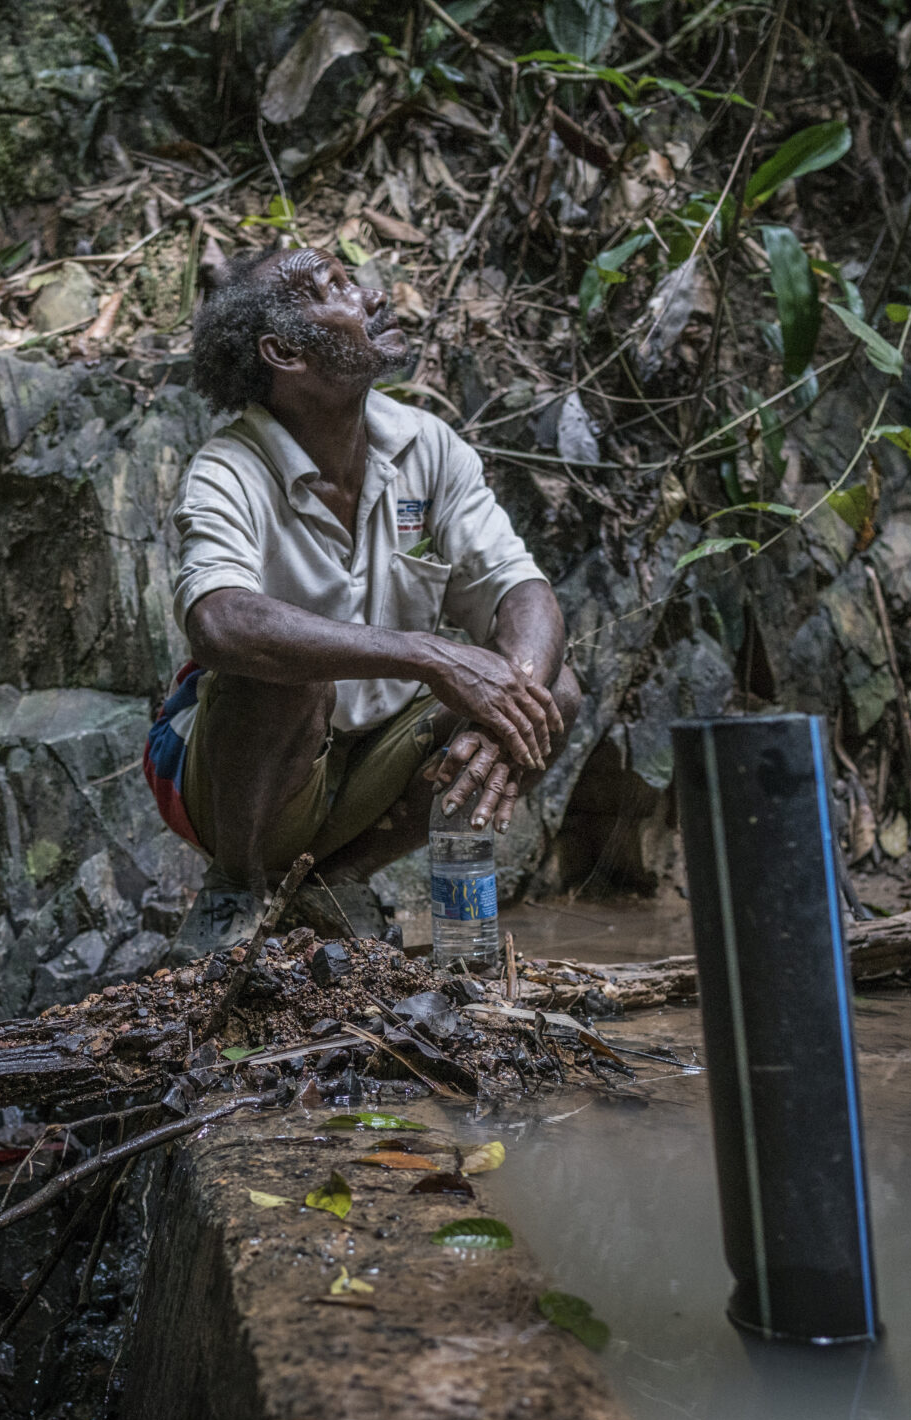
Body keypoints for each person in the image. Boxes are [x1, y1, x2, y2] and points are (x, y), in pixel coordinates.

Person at [145, 245, 583, 953]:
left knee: (550, 689)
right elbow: (220, 623)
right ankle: (236, 885)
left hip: (367, 761)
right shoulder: (229, 468)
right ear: (285, 352)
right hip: (236, 778)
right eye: (337, 287)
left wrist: (510, 706)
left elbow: (520, 589)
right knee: (284, 672)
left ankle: (329, 885)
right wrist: (427, 655)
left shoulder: (424, 445)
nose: (372, 296)